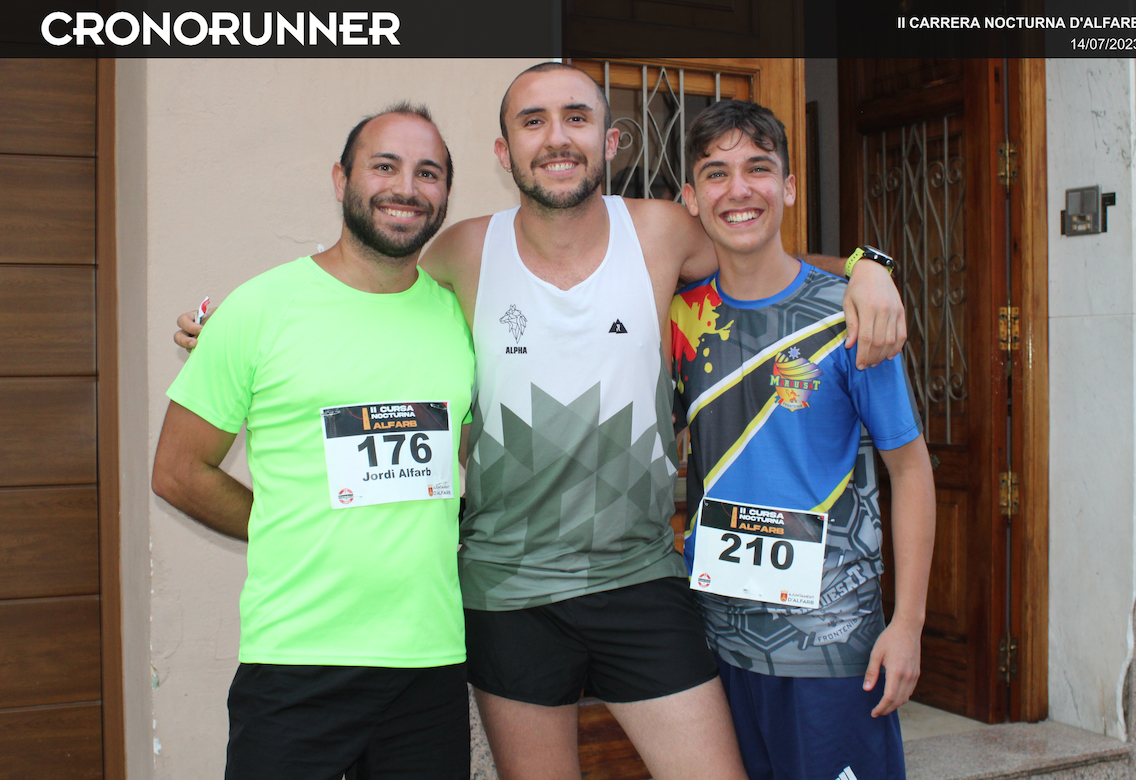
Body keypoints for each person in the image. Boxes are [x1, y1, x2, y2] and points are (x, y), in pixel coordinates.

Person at [176, 63, 908, 780]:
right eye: (534, 121)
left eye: (576, 118)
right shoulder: (461, 251)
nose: (557, 137)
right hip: (507, 592)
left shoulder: (661, 230)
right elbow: (364, 286)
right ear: (504, 152)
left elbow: (764, 261)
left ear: (610, 141)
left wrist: (865, 266)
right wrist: (237, 331)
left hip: (640, 577)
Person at [153, 104, 475, 780]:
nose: (406, 187)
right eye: (384, 166)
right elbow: (179, 471)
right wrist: (283, 525)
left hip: (429, 662)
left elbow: (465, 451)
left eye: (428, 173)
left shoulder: (460, 316)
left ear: (446, 192)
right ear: (340, 179)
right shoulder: (259, 309)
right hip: (297, 662)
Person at [670, 99, 936, 780]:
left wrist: (907, 624)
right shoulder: (681, 318)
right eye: (716, 173)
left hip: (832, 648)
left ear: (788, 188)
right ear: (691, 199)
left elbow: (910, 470)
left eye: (758, 169)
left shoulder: (851, 314)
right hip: (717, 647)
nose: (739, 189)